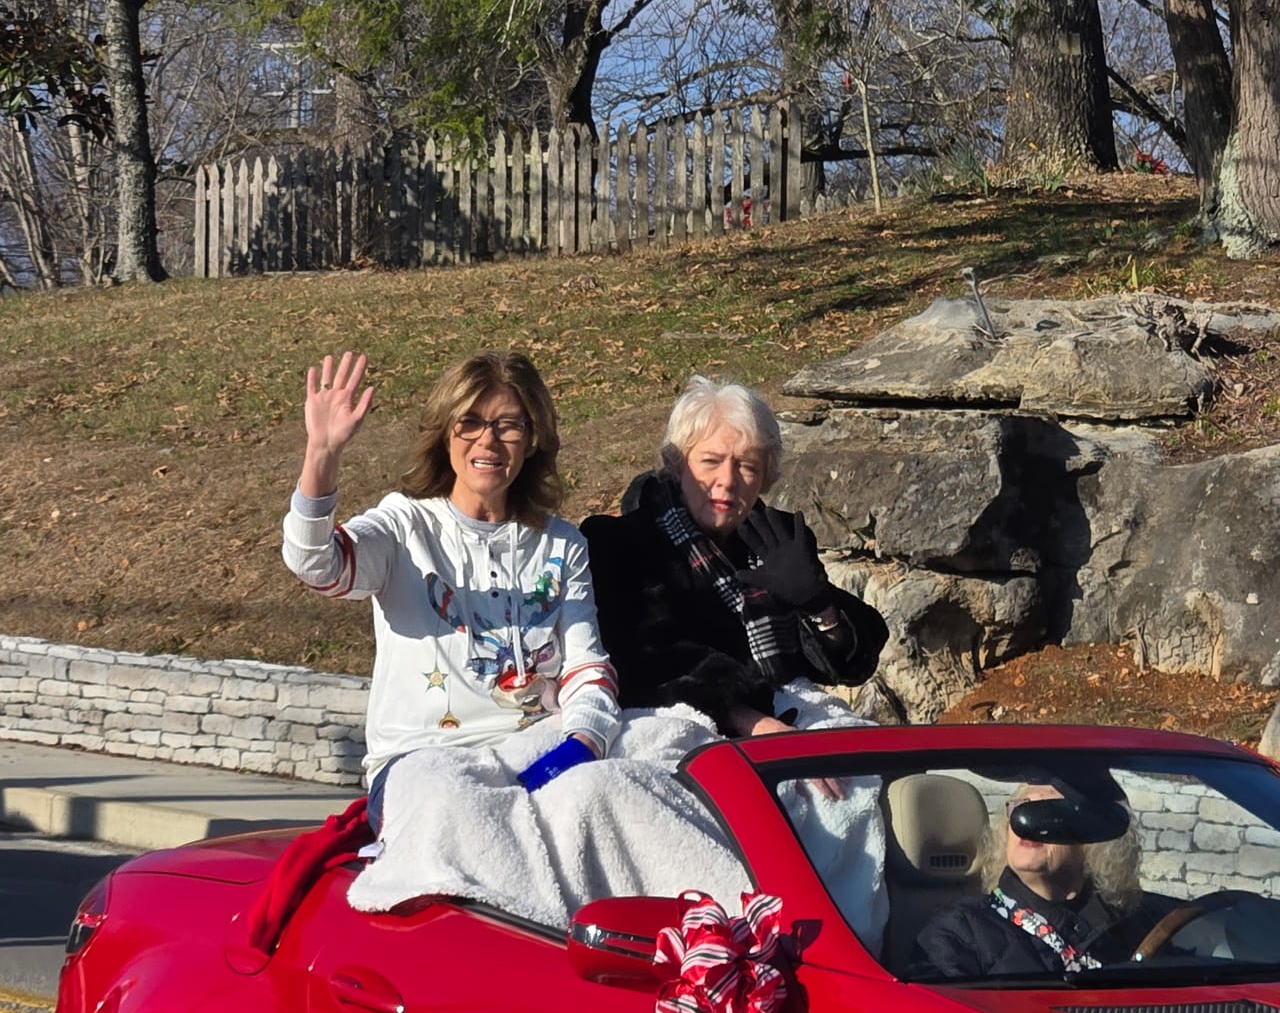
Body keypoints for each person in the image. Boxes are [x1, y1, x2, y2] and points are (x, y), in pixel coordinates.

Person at [282, 351, 619, 829]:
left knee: (658, 752)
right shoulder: (403, 524)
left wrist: (581, 746)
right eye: (471, 422)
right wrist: (322, 454)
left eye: (508, 425)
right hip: (423, 769)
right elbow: (317, 564)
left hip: (533, 750)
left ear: (532, 438)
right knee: (467, 814)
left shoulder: (563, 544)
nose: (489, 440)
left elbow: (587, 669)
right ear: (446, 433)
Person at [581, 376, 886, 738]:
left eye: (747, 466)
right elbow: (639, 662)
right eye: (710, 461)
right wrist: (748, 720)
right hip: (676, 731)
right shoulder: (620, 543)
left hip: (789, 716)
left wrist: (821, 607)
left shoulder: (778, 540)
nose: (727, 480)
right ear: (676, 465)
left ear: (765, 477)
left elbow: (851, 665)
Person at [907, 784, 1180, 981]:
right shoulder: (960, 929)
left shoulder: (1138, 920)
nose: (1027, 824)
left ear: (1092, 839)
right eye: (1020, 811)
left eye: (1047, 813)